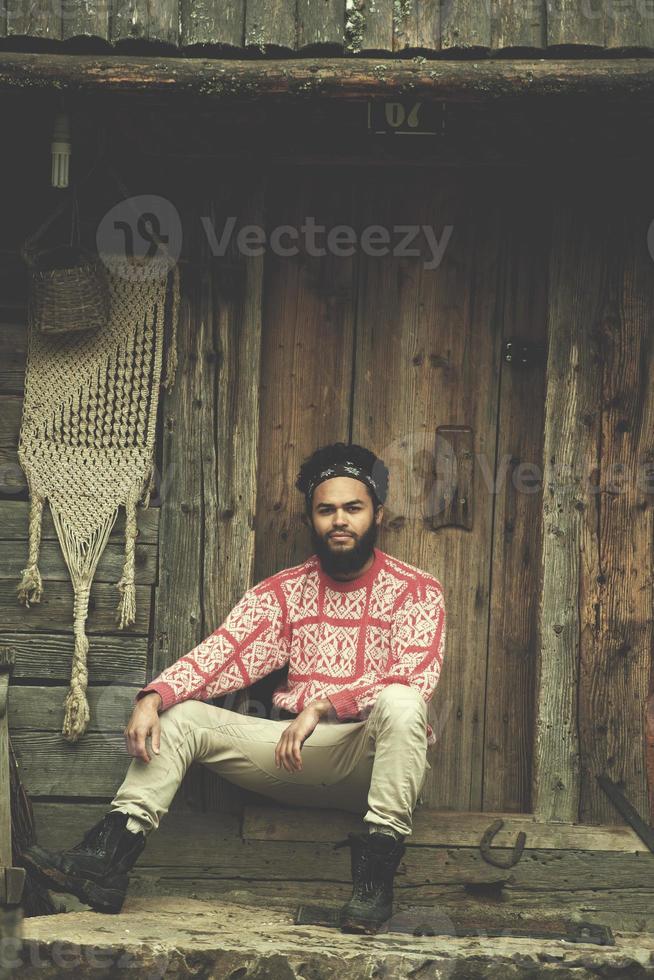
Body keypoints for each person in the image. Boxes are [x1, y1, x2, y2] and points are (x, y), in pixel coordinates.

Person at [23, 442, 446, 934]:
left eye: (353, 508)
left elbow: (414, 676)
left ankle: (373, 892)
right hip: (296, 757)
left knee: (403, 700)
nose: (339, 521)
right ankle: (108, 862)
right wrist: (153, 696)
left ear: (377, 513)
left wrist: (324, 705)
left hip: (373, 760)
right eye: (326, 509)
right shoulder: (285, 592)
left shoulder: (417, 589)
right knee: (181, 717)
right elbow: (222, 653)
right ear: (311, 518)